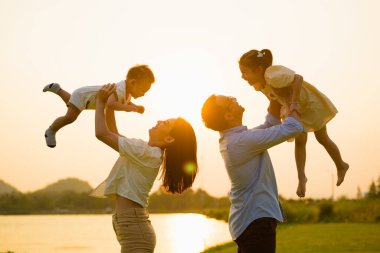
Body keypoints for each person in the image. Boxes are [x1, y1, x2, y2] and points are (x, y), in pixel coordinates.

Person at [91, 83, 198, 253]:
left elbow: (102, 134)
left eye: (165, 123)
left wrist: (100, 103)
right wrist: (110, 106)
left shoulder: (147, 153)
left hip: (134, 227)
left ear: (170, 139)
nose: (159, 121)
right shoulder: (145, 151)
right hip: (131, 225)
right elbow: (113, 133)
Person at [239, 49, 349, 197]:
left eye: (245, 72)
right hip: (291, 107)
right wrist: (275, 105)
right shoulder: (259, 84)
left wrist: (294, 101)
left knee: (322, 137)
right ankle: (301, 178)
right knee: (300, 140)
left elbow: (298, 78)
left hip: (307, 103)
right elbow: (272, 95)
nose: (242, 76)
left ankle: (341, 165)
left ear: (258, 70)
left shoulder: (272, 75)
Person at [201, 94, 304, 253]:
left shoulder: (236, 139)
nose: (234, 98)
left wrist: (275, 98)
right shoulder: (240, 142)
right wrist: (294, 100)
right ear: (228, 115)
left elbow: (270, 124)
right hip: (256, 222)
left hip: (250, 221)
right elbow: (294, 127)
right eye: (229, 100)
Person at [43, 64, 154, 148]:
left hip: (86, 99)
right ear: (133, 83)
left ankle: (57, 89)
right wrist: (127, 108)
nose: (143, 94)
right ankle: (51, 130)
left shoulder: (127, 93)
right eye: (142, 90)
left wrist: (135, 108)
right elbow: (110, 104)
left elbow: (125, 102)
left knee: (70, 102)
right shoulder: (118, 89)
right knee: (70, 117)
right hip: (83, 96)